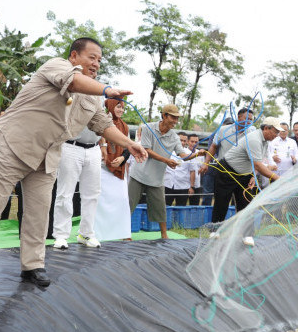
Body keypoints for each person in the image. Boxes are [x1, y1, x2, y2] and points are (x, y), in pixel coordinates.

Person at [0, 37, 148, 287]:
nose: (96, 64)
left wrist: (129, 143)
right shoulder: (55, 66)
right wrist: (106, 90)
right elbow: (73, 81)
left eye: (100, 60)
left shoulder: (92, 97)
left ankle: (32, 265)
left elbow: (102, 124)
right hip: (10, 146)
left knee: (38, 213)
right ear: (74, 57)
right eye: (92, 57)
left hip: (46, 156)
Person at [128, 104, 205, 239]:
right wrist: (166, 161)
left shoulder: (174, 137)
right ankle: (124, 233)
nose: (175, 121)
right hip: (138, 174)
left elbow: (182, 155)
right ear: (164, 116)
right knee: (129, 205)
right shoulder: (147, 128)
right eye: (173, 118)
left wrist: (197, 155)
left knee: (160, 207)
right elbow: (147, 150)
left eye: (177, 119)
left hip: (157, 178)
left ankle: (164, 234)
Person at [211, 117, 282, 235]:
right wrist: (278, 179)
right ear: (266, 128)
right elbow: (259, 165)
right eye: (275, 131)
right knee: (221, 203)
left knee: (246, 204)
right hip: (227, 171)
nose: (277, 135)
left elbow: (257, 162)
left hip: (245, 174)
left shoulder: (265, 141)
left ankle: (246, 235)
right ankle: (215, 232)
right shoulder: (255, 139)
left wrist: (253, 176)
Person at [51, 126, 103, 249]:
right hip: (71, 146)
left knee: (93, 194)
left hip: (95, 148)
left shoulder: (104, 106)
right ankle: (61, 236)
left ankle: (86, 234)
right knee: (65, 193)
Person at [93, 98, 132, 242]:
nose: (121, 110)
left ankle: (122, 233)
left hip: (119, 169)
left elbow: (129, 146)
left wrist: (122, 159)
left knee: (121, 200)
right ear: (109, 106)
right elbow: (96, 140)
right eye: (118, 107)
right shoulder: (101, 121)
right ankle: (98, 234)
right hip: (102, 167)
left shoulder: (124, 126)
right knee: (101, 201)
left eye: (122, 108)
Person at [199, 107, 254, 206]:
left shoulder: (252, 134)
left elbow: (255, 157)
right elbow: (213, 146)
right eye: (247, 118)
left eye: (251, 119)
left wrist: (253, 175)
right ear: (238, 117)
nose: (249, 121)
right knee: (221, 204)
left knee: (243, 204)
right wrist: (206, 163)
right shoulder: (223, 130)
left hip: (243, 174)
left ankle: (238, 222)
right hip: (224, 172)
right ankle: (217, 222)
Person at [163, 132, 195, 206]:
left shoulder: (190, 154)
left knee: (181, 209)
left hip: (183, 186)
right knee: (165, 207)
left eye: (184, 141)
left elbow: (192, 171)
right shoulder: (167, 151)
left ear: (186, 142)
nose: (182, 142)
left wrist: (191, 187)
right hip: (167, 184)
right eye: (180, 140)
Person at [187, 133, 203, 205]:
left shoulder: (201, 154)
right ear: (188, 142)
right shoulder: (183, 153)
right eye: (192, 141)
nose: (194, 144)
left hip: (196, 184)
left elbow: (203, 167)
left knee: (195, 205)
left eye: (196, 142)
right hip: (184, 184)